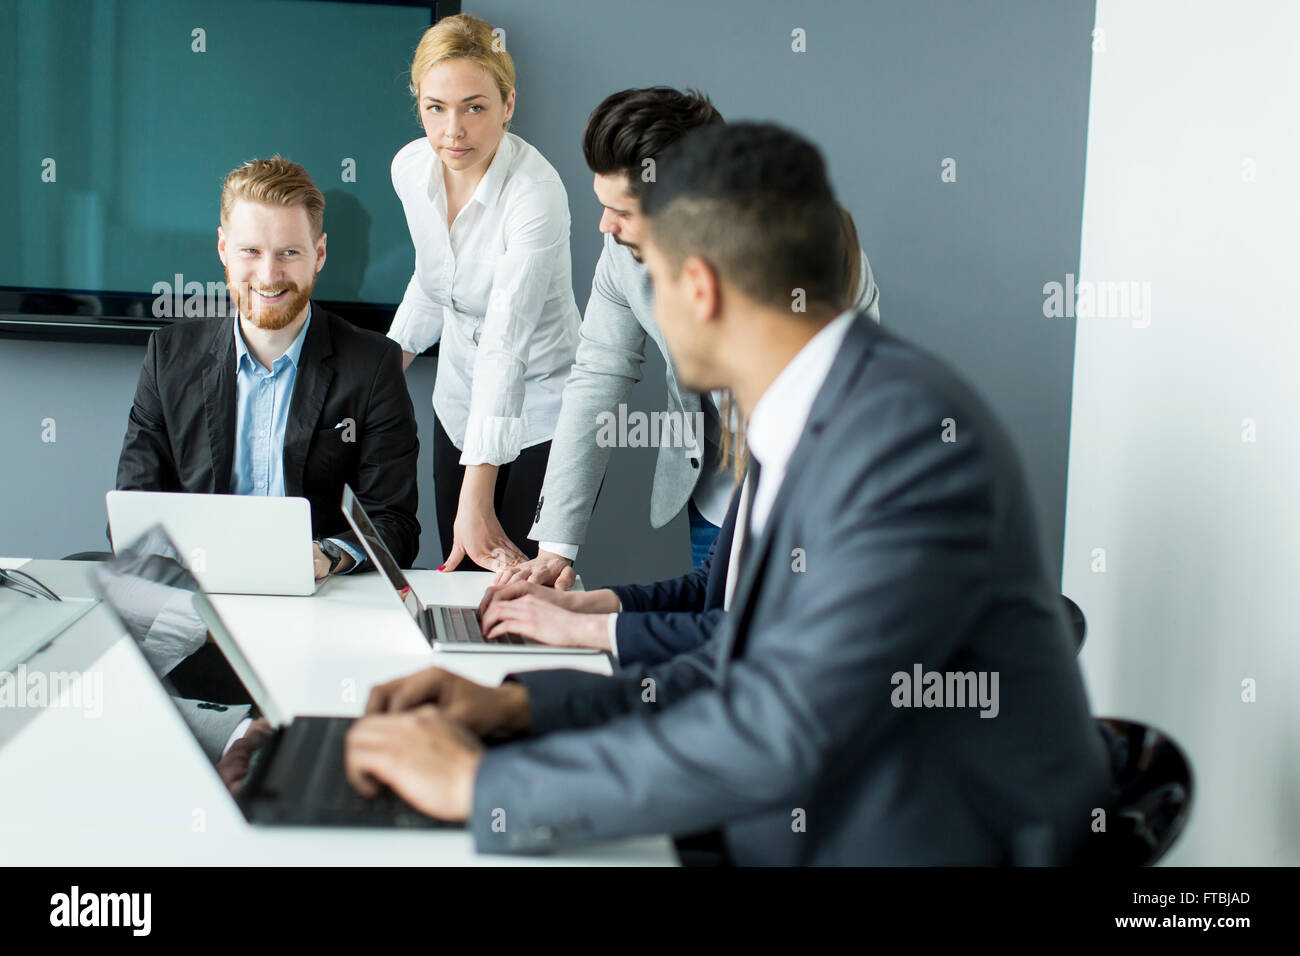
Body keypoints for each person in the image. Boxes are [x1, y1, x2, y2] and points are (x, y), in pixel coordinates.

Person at [342, 122, 1112, 865]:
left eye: (654, 276)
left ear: (700, 289)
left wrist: (483, 787)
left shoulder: (903, 444)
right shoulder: (804, 412)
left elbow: (776, 730)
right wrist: (517, 708)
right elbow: (739, 658)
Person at [494, 88, 881, 587]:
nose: (605, 226)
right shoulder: (621, 252)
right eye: (604, 205)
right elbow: (598, 377)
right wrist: (555, 547)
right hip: (714, 495)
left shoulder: (810, 253)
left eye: (626, 212)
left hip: (812, 498)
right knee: (710, 632)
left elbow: (850, 397)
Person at [116, 156, 420, 576]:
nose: (268, 274)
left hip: (318, 598)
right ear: (224, 249)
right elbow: (134, 508)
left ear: (319, 254)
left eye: (289, 252)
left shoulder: (373, 366)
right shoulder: (166, 357)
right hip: (196, 596)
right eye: (251, 251)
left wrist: (327, 555)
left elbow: (395, 524)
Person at [385, 13, 580, 574]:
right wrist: (379, 372)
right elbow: (432, 280)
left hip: (546, 407)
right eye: (435, 108)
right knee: (461, 580)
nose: (453, 132)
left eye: (475, 107)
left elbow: (506, 340)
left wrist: (478, 495)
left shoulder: (535, 195)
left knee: (525, 584)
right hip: (460, 399)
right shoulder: (410, 169)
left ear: (508, 105)